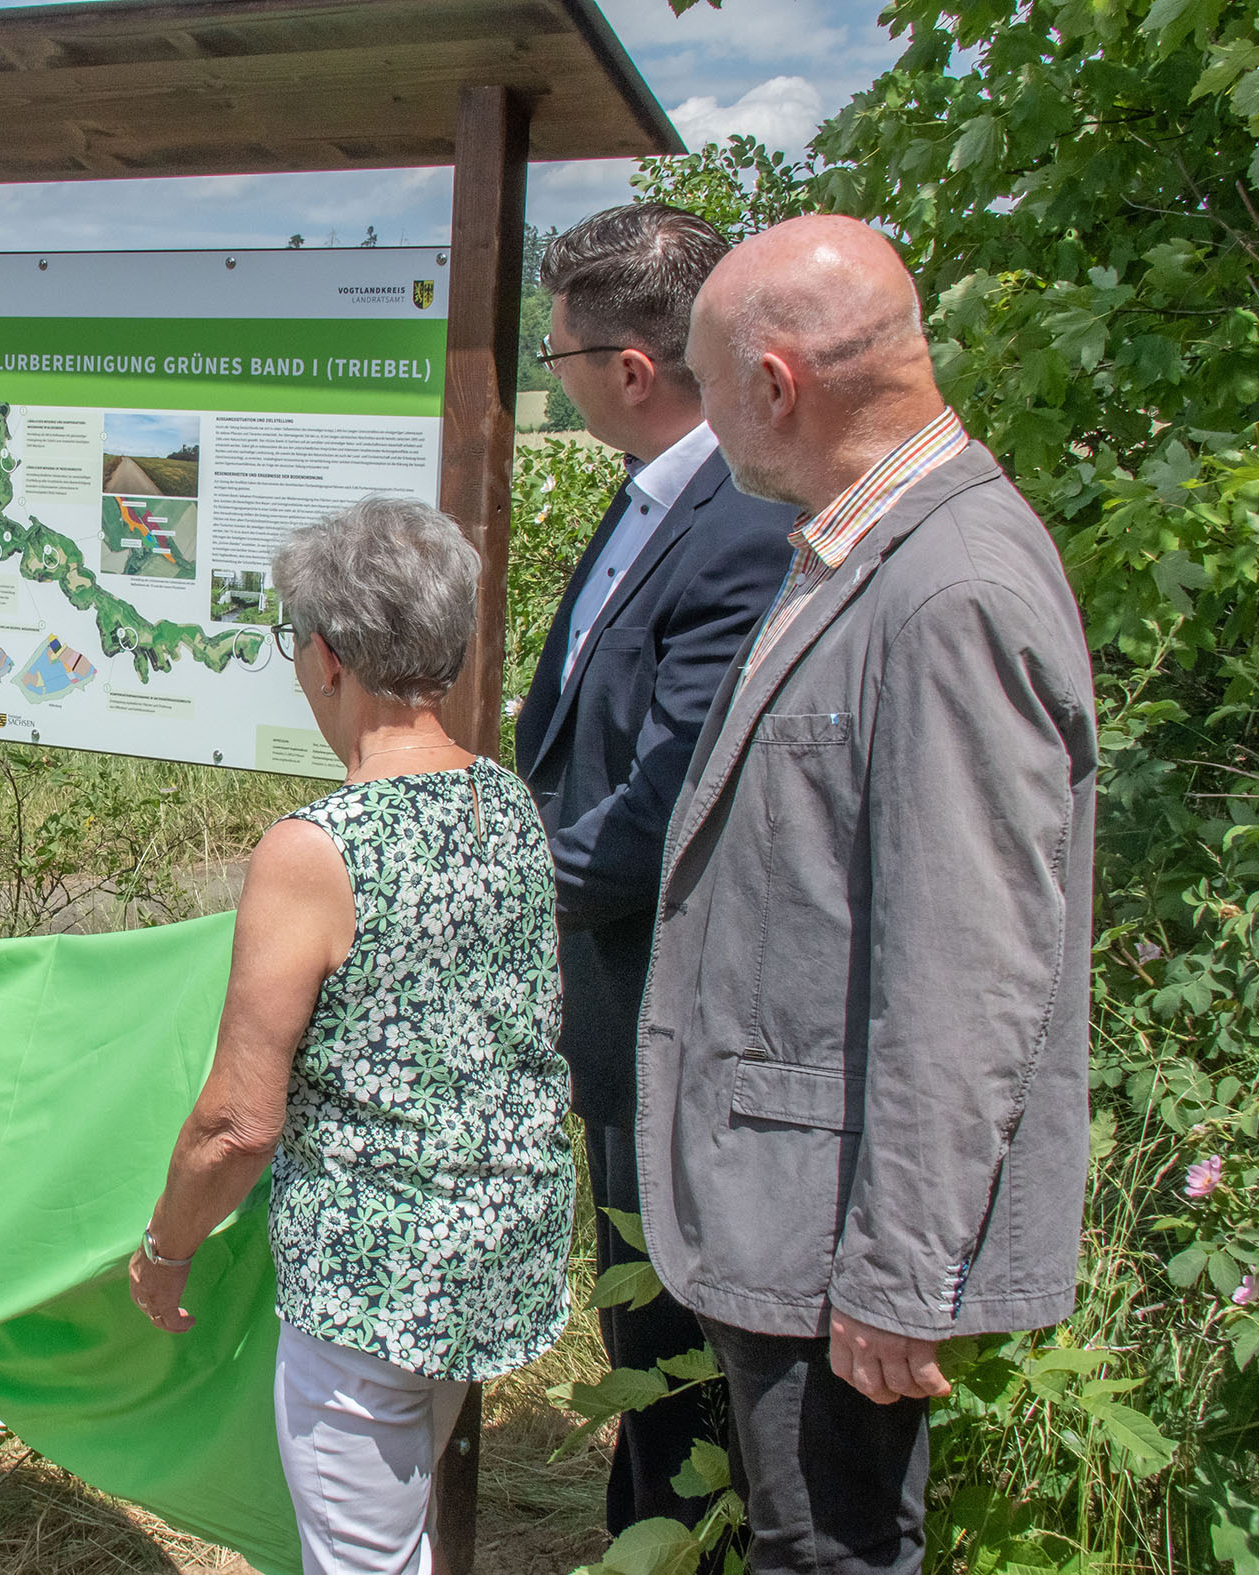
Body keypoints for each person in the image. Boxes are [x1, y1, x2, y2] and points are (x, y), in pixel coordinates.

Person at [641, 215, 1097, 1574]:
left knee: (830, 1549)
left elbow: (968, 969)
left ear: (773, 385)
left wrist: (900, 1274)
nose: (705, 426)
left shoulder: (947, 586)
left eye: (709, 387)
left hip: (831, 1222)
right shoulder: (860, 544)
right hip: (793, 1198)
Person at [128, 498, 572, 1575]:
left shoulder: (315, 851)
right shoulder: (505, 804)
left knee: (359, 1559)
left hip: (371, 1279)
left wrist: (164, 1251)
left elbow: (237, 1120)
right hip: (489, 1252)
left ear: (324, 657)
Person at [514, 202, 795, 1539]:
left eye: (557, 358)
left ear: (628, 367)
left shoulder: (738, 522)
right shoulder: (655, 498)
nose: (551, 382)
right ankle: (644, 1532)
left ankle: (679, 1541)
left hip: (672, 999)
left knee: (678, 1329)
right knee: (640, 1309)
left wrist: (509, 883)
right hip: (616, 1001)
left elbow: (665, 797)